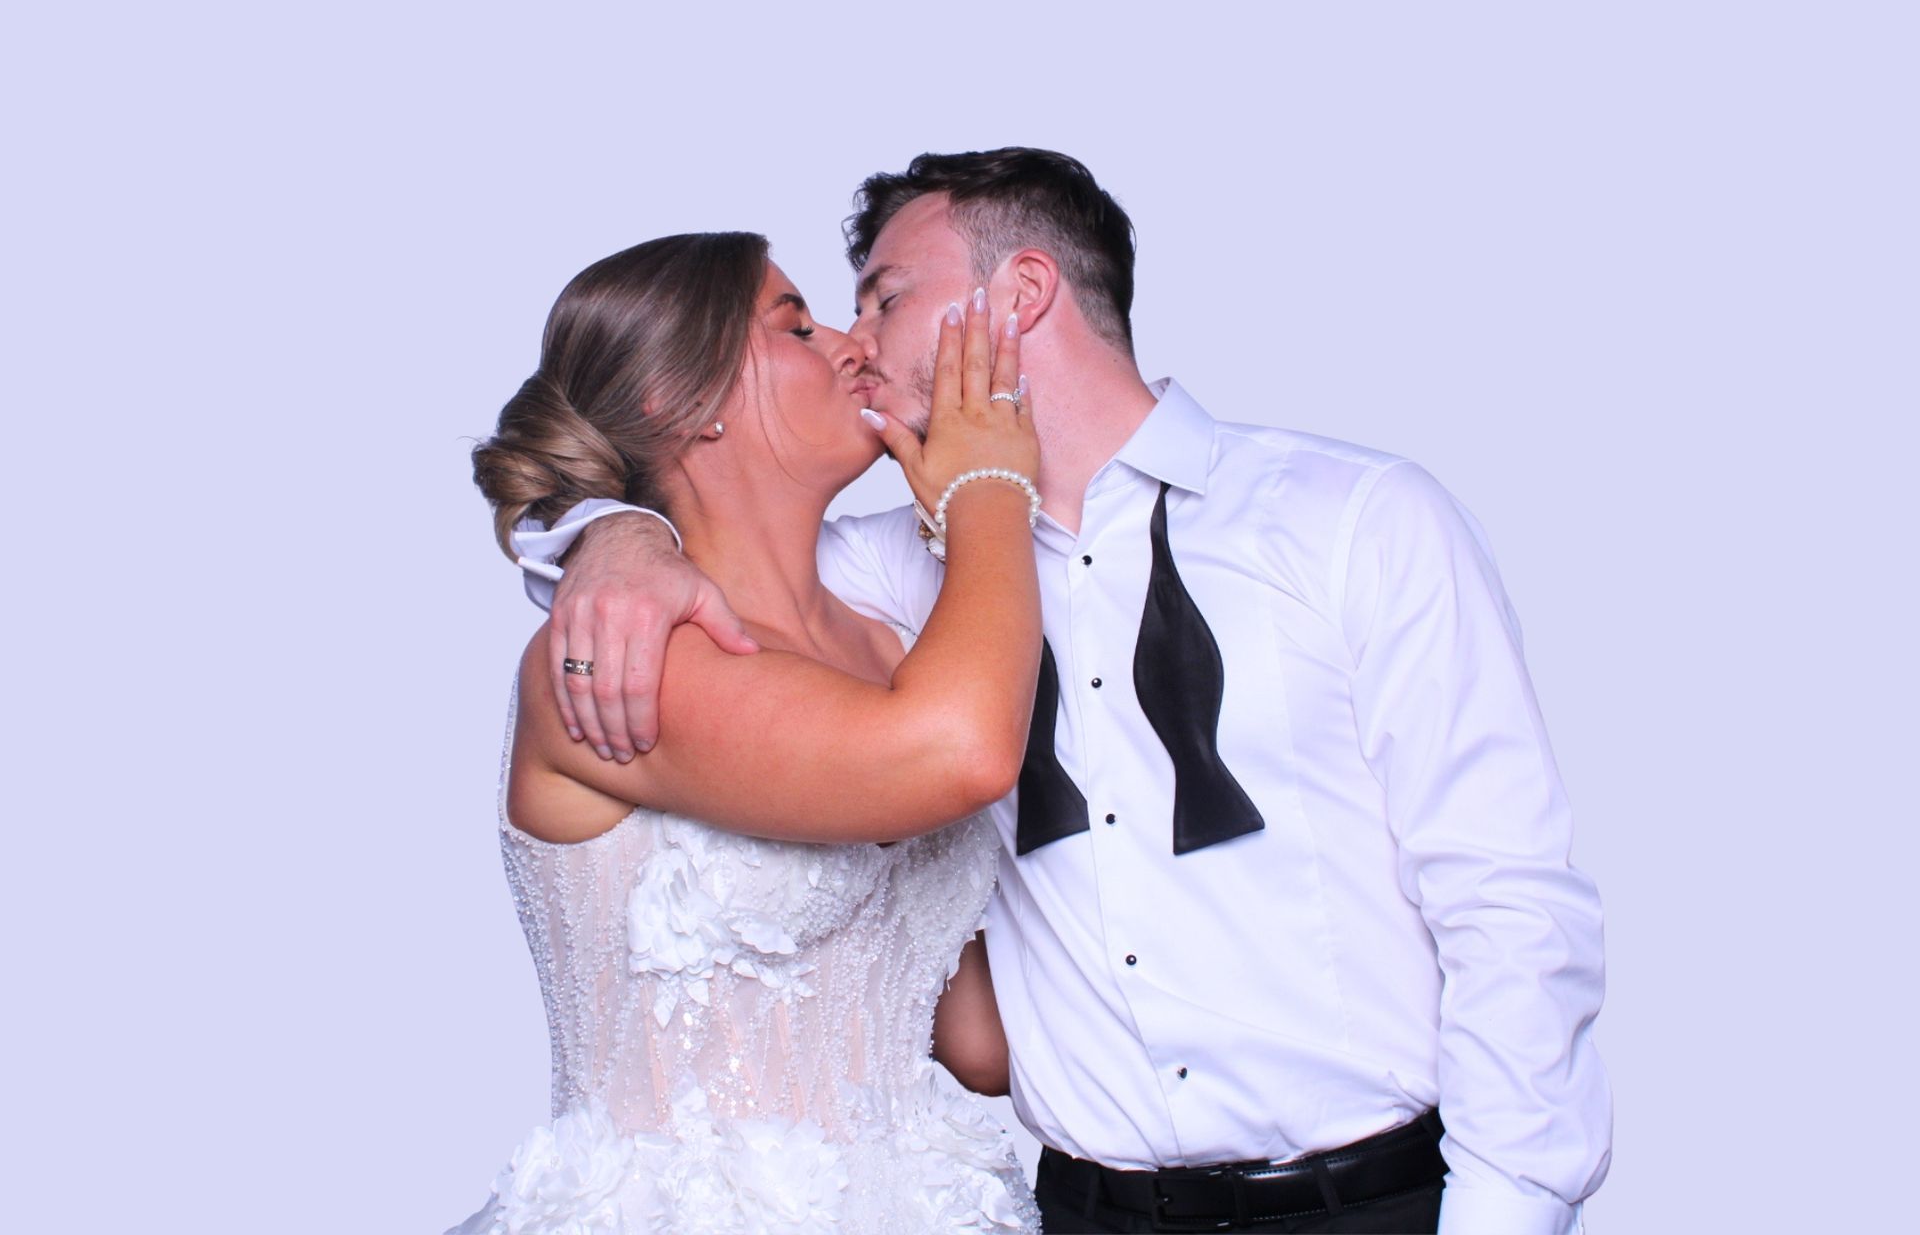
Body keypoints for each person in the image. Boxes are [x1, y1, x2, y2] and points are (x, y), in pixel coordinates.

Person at [524, 149, 1613, 1234]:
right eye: (822, 320)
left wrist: (1509, 1211)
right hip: (1082, 1211)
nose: (859, 346)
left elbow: (1507, 898)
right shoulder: (893, 584)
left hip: (1370, 1200)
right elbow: (718, 549)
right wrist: (615, 534)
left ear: (1024, 293)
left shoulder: (1355, 520)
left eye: (889, 299)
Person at [454, 231, 1049, 1233]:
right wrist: (990, 486)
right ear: (680, 402)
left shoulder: (894, 645)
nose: (853, 341)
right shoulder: (618, 654)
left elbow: (978, 1039)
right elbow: (961, 753)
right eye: (796, 323)